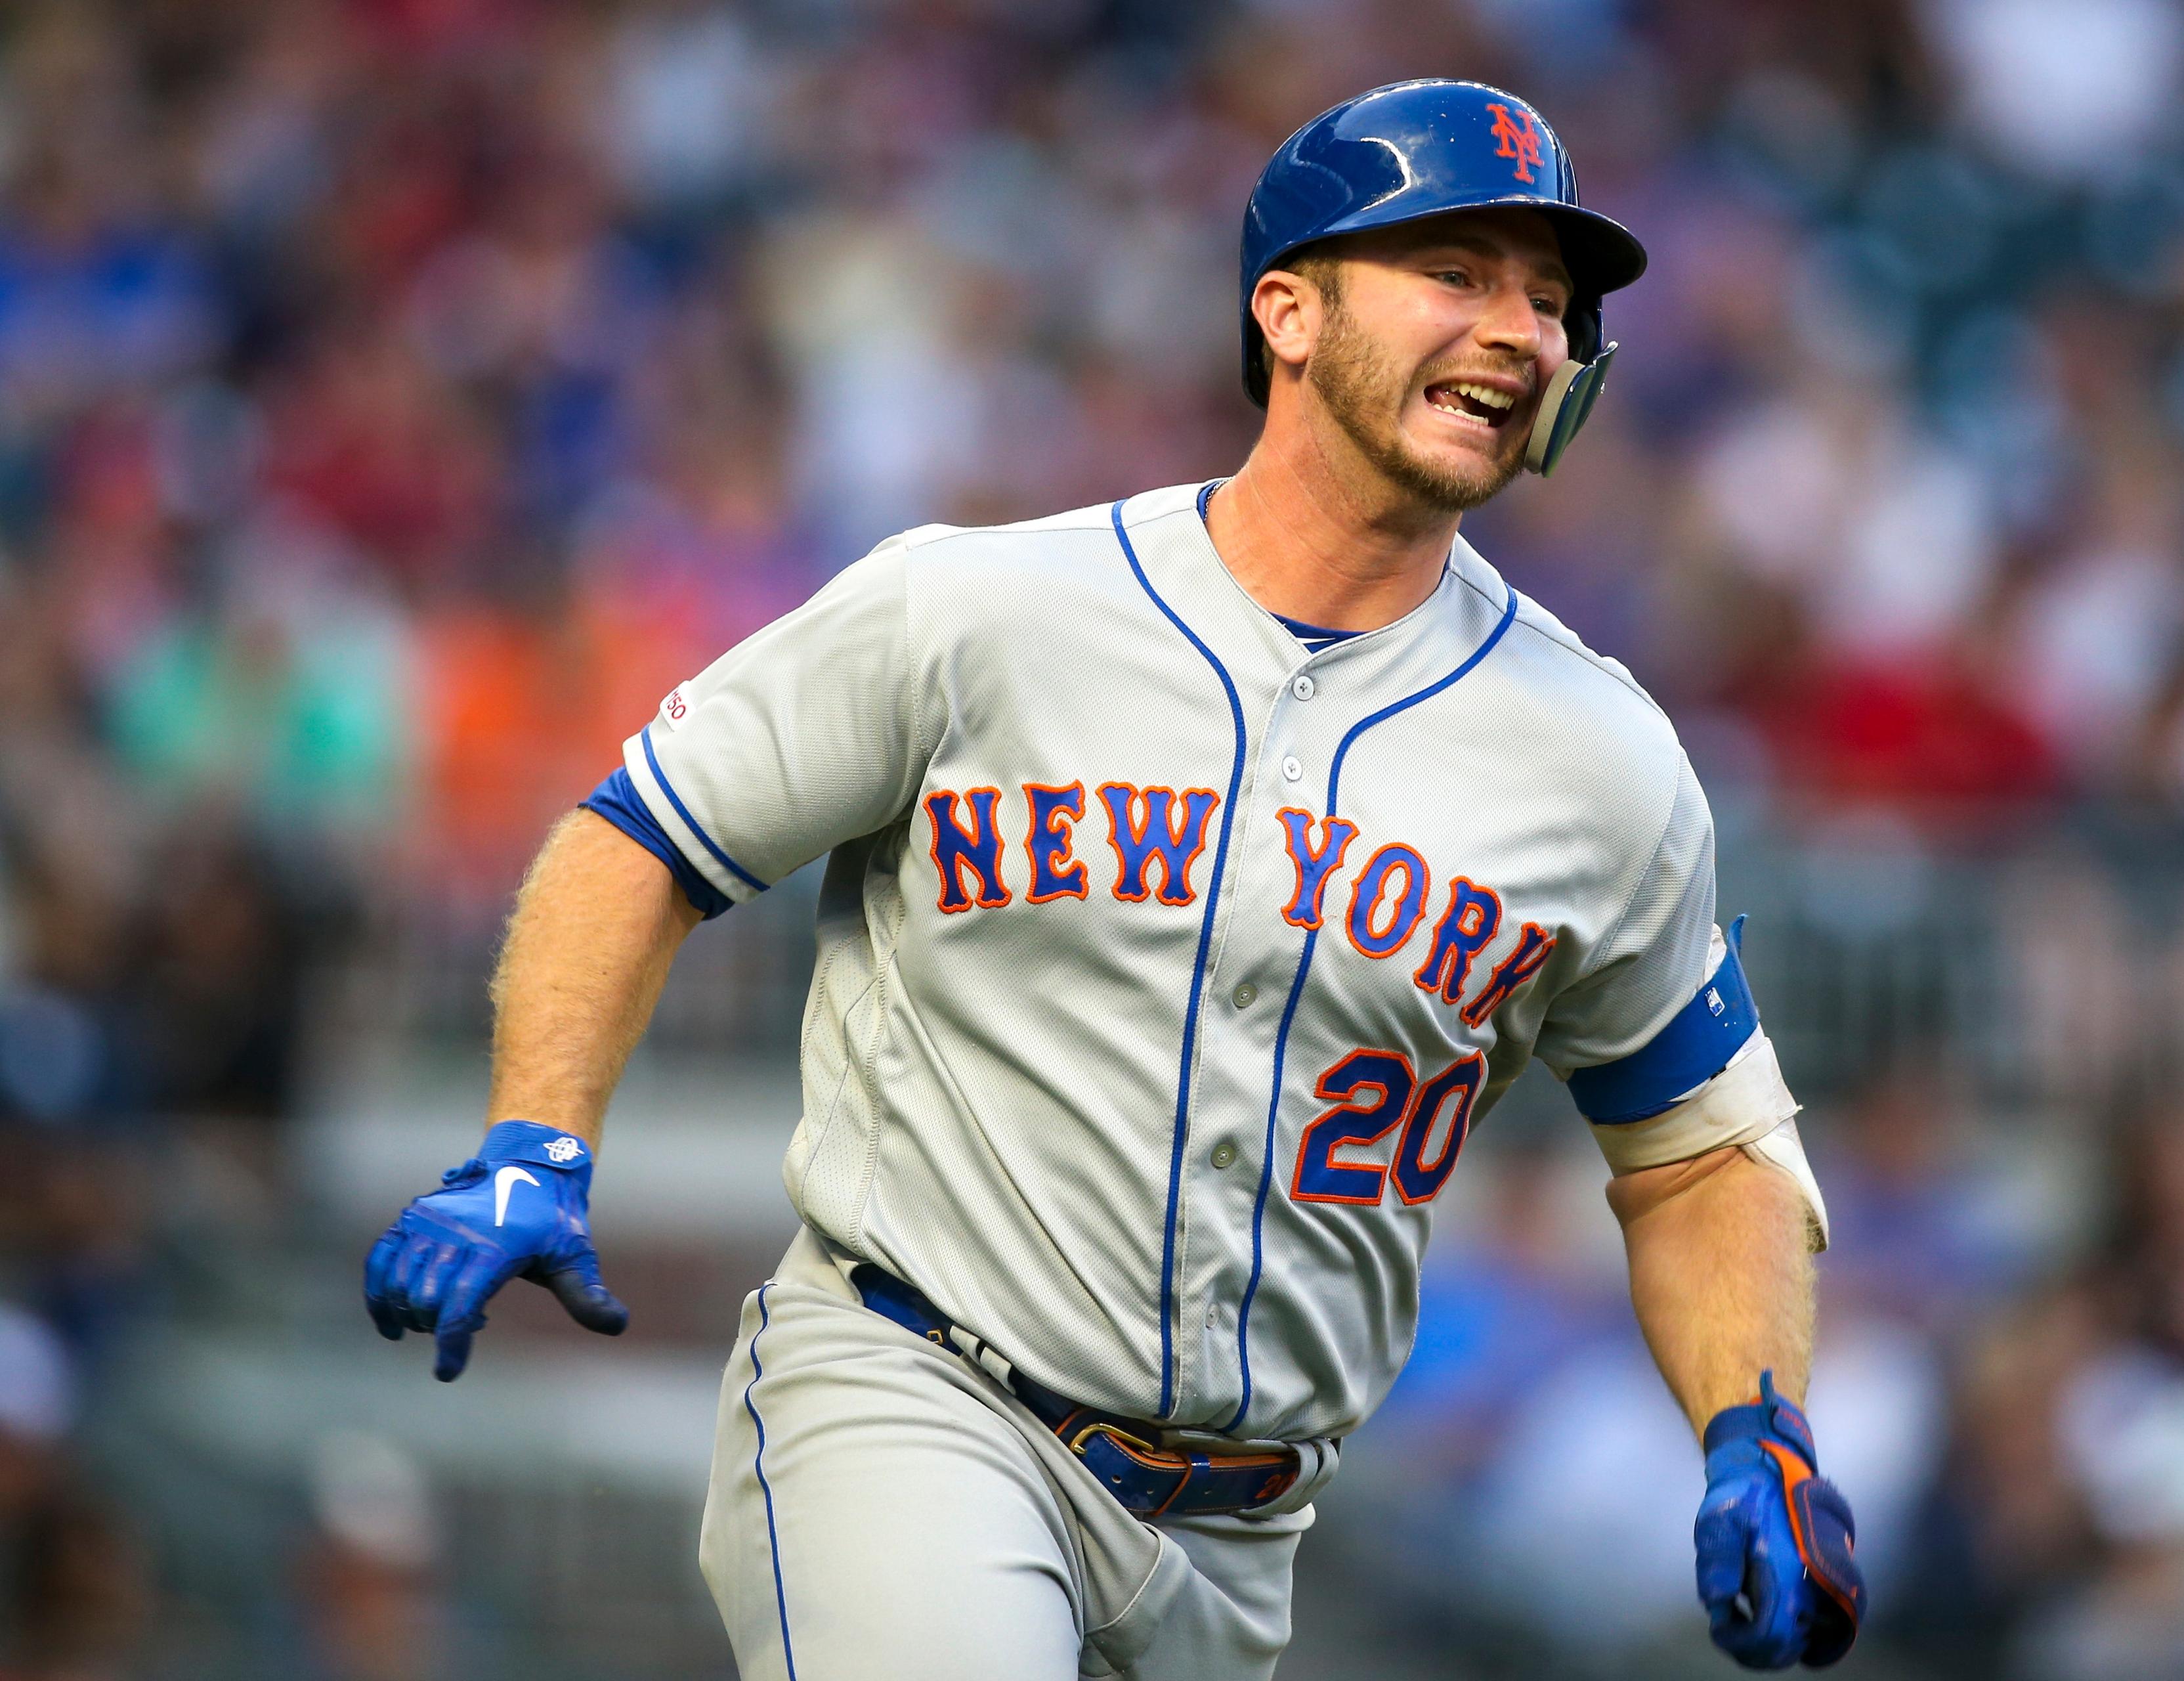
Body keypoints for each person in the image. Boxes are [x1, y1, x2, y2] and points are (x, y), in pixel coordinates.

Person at [360, 81, 1863, 1679]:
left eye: (1552, 302)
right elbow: (645, 833)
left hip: (1241, 1539)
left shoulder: (1602, 761)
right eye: (1461, 273)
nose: (1521, 330)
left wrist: (1755, 1419)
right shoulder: (983, 608)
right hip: (915, 1397)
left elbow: (1703, 1151)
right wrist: (536, 1129)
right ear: (1287, 310)